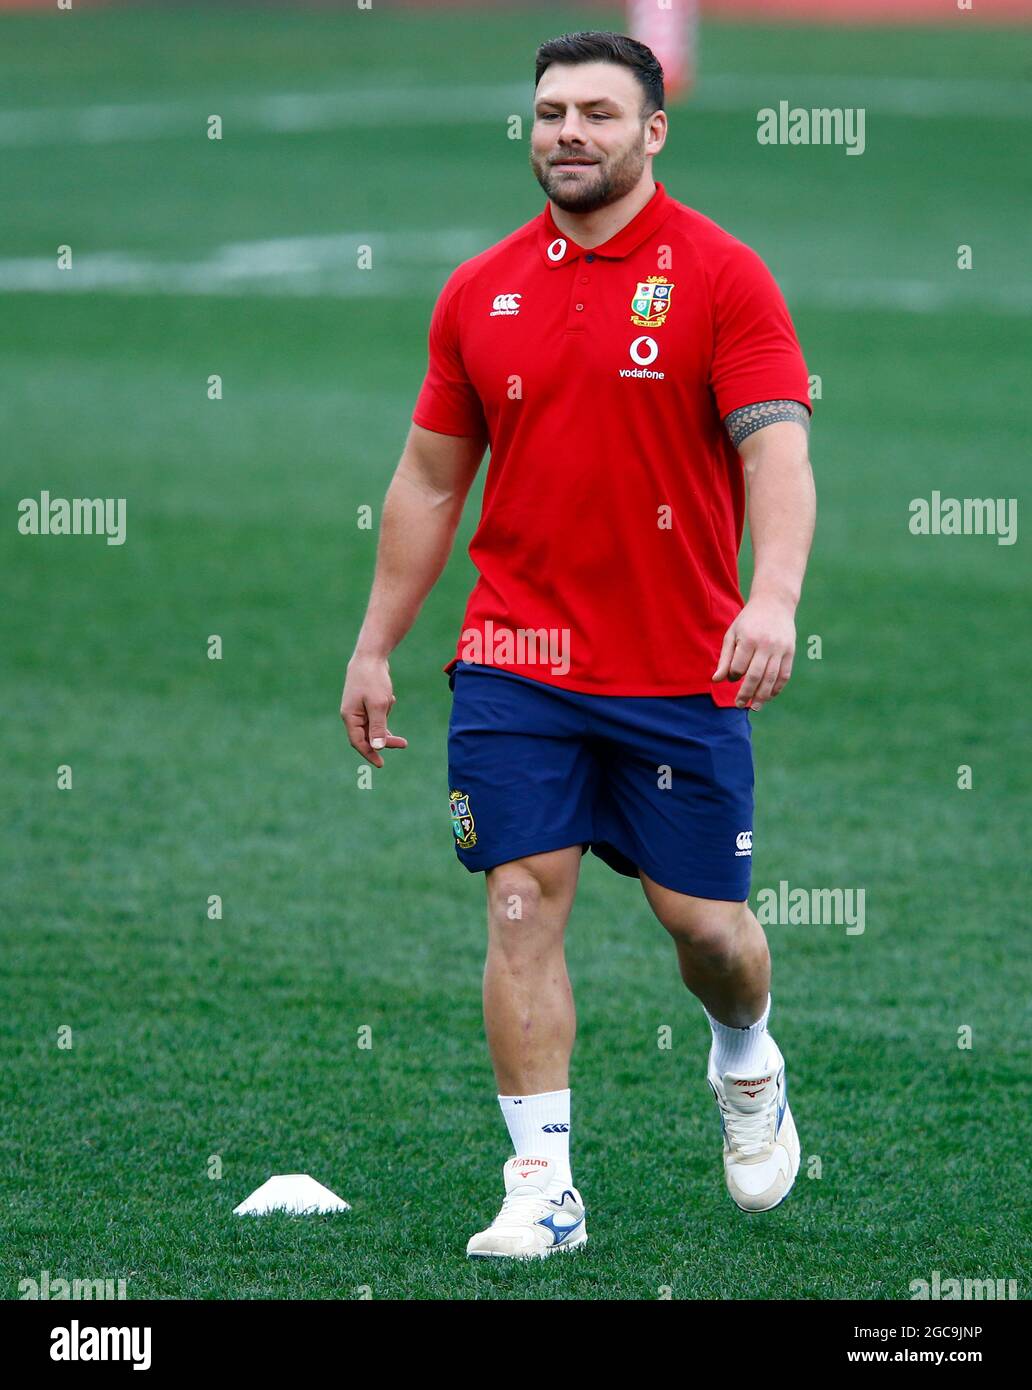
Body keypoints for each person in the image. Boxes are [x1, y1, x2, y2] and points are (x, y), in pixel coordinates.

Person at [341, 29, 816, 1260]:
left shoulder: (723, 276)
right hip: (516, 658)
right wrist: (376, 641)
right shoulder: (479, 290)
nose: (568, 133)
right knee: (517, 903)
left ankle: (745, 1058)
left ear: (652, 131)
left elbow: (777, 450)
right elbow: (430, 482)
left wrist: (773, 598)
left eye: (598, 113)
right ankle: (543, 1183)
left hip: (680, 665)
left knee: (705, 927)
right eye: (550, 112)